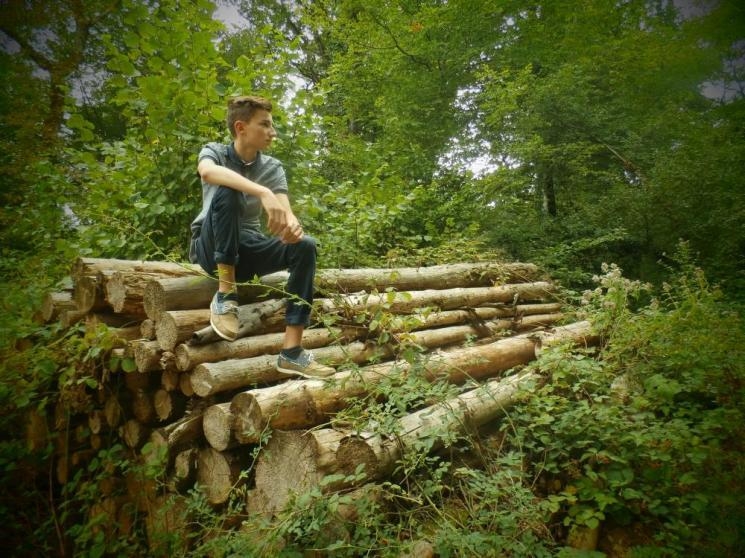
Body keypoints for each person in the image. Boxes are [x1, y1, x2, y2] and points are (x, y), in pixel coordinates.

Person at [189, 95, 334, 379]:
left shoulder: (271, 166)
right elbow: (207, 172)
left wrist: (293, 227)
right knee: (229, 189)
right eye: (265, 125)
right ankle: (225, 296)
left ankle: (291, 352)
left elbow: (287, 211)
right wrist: (261, 191)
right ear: (241, 127)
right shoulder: (215, 152)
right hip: (211, 248)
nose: (272, 132)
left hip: (248, 249)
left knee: (305, 246)